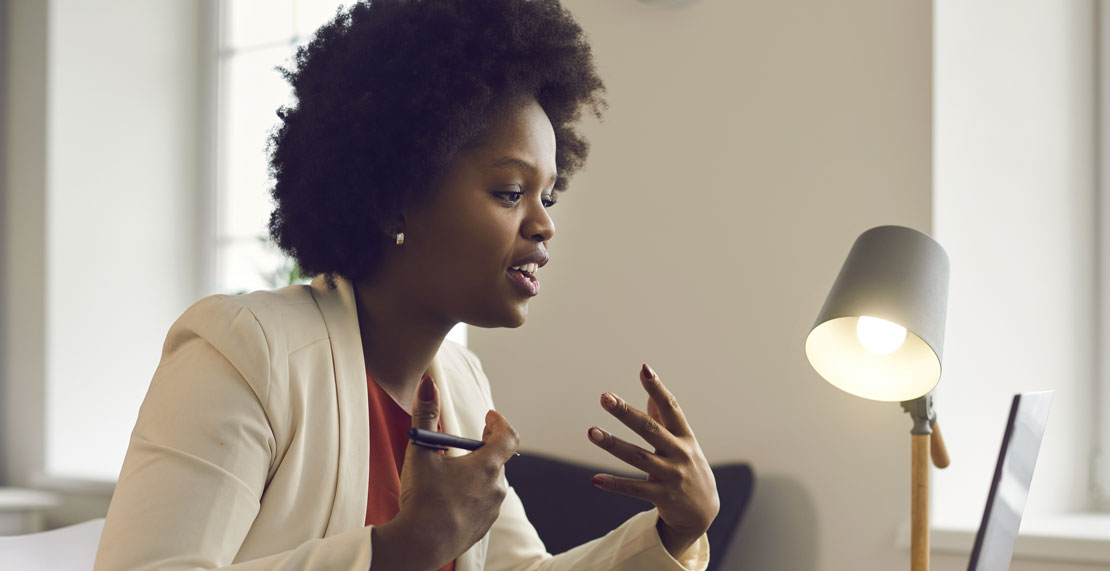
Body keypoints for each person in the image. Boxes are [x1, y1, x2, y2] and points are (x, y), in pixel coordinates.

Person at [93, 1, 720, 570]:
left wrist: (674, 532)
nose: (545, 224)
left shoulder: (462, 387)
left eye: (547, 195)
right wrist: (396, 552)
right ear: (398, 199)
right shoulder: (246, 353)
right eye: (509, 192)